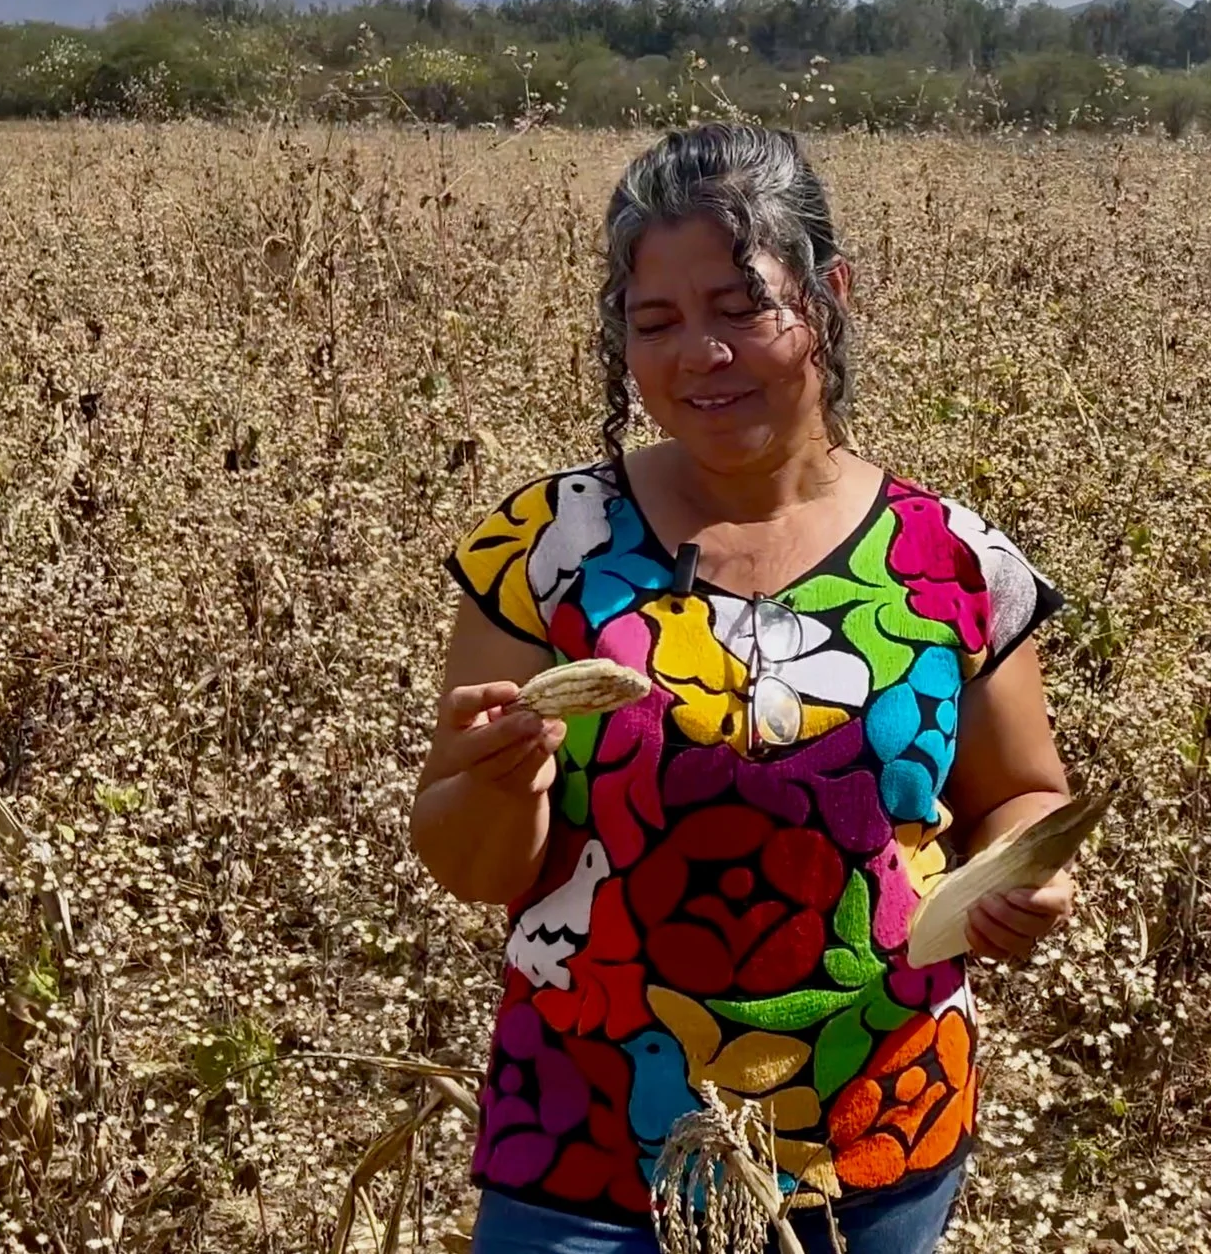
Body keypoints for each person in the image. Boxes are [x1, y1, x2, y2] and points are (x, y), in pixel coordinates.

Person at [412, 121, 1077, 1254]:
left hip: (873, 1134)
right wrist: (500, 779)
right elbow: (471, 865)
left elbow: (1020, 791)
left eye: (740, 307)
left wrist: (1029, 877)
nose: (698, 355)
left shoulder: (953, 559)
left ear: (830, 298)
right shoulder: (545, 545)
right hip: (585, 1135)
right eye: (655, 321)